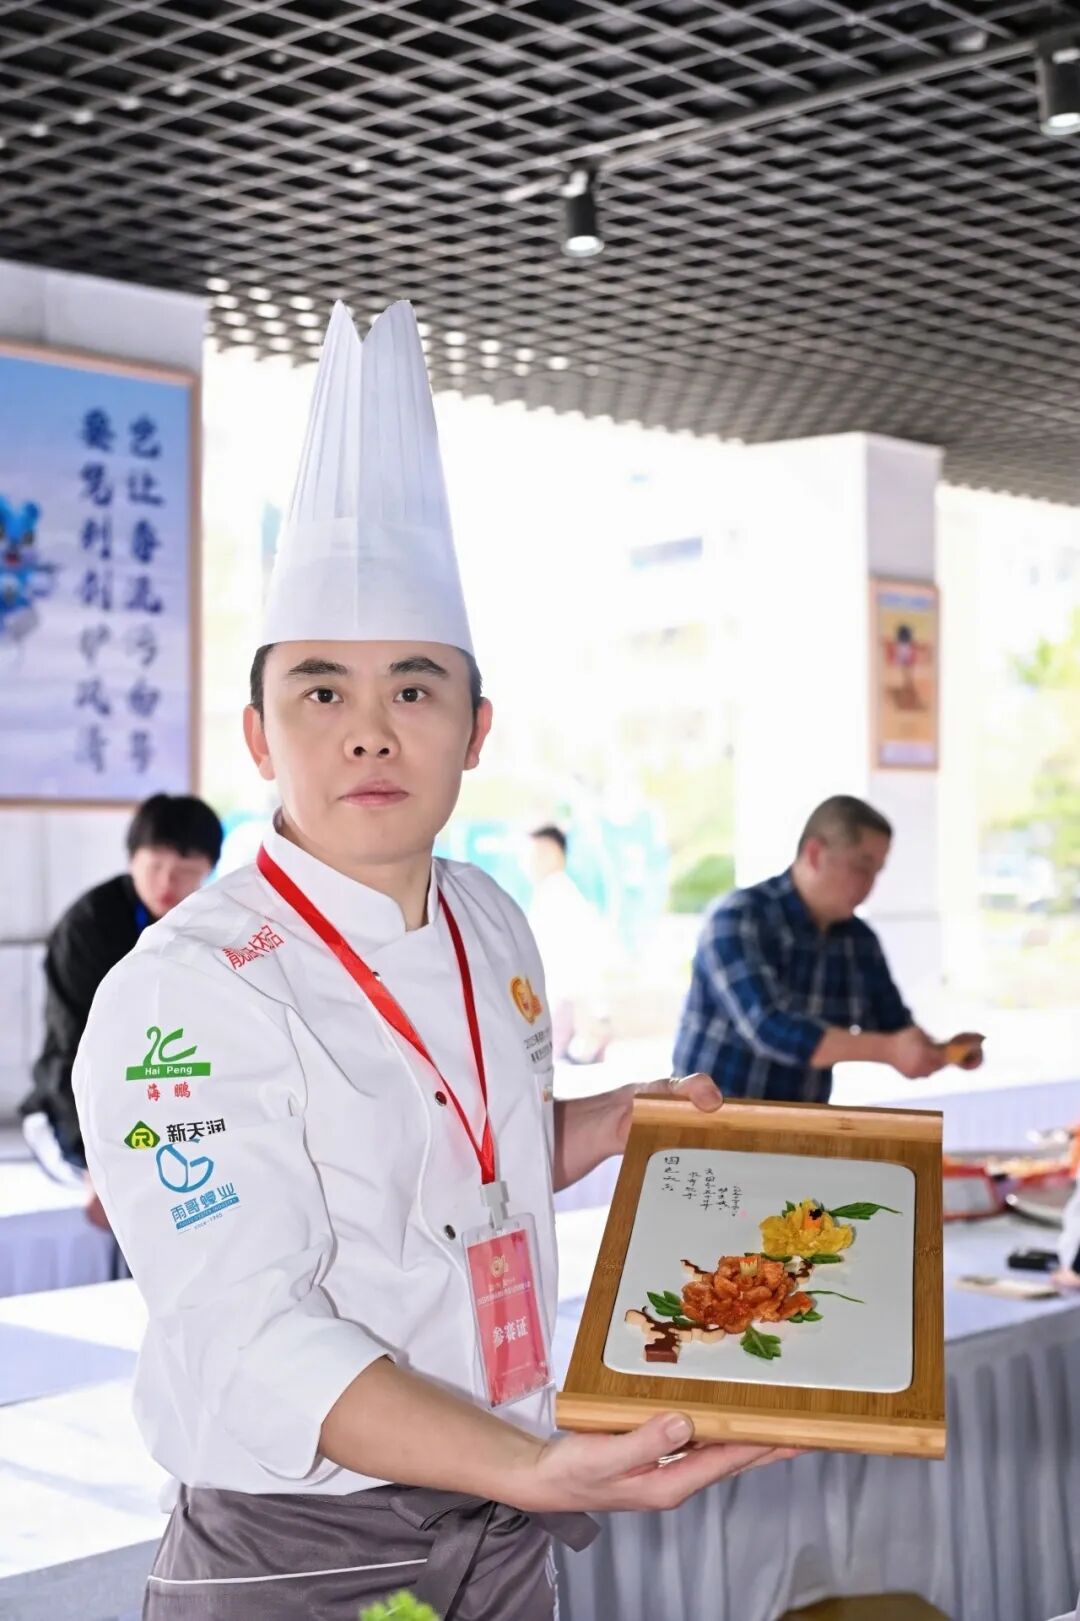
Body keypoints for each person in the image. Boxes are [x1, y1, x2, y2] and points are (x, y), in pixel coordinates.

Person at [73, 302, 795, 1621]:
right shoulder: (184, 988)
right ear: (258, 733)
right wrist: (536, 1466)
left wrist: (606, 1124)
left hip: (505, 1519)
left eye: (413, 690)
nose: (369, 733)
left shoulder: (489, 918)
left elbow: (460, 1167)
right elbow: (246, 1332)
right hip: (302, 1550)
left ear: (476, 728)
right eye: (322, 692)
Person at [673, 794, 983, 1105]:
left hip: (801, 1125)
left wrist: (944, 1052)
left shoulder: (859, 941)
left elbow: (895, 1027)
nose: (870, 885)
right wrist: (889, 1050)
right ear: (815, 854)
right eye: (861, 867)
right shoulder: (739, 917)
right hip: (709, 1121)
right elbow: (770, 1028)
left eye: (877, 871)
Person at [21, 793, 223, 1185]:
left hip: (162, 1099)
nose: (167, 882)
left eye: (186, 871)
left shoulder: (209, 922)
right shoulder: (88, 927)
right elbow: (75, 1049)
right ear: (132, 859)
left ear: (208, 871)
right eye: (155, 865)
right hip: (73, 1104)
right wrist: (90, 1158)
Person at [528, 824, 613, 1063]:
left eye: (537, 854)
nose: (530, 863)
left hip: (564, 1001)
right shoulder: (556, 890)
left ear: (555, 853)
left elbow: (565, 959)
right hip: (566, 1002)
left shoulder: (556, 894)